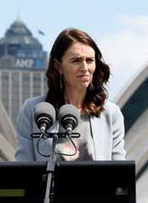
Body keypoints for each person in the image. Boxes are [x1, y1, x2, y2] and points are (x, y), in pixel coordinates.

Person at [15, 28, 126, 161]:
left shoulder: (111, 113)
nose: (84, 67)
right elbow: (23, 167)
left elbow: (119, 171)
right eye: (76, 60)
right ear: (58, 66)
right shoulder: (33, 110)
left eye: (90, 60)